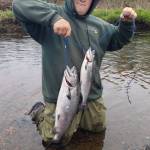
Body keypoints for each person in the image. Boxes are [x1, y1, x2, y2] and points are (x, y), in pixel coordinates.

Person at [12, 0, 137, 148]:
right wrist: (54, 19)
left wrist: (127, 23)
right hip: (61, 98)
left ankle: (81, 119)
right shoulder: (53, 13)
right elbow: (18, 5)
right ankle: (39, 113)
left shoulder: (100, 26)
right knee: (53, 140)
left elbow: (119, 38)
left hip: (90, 95)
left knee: (98, 129)